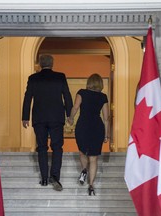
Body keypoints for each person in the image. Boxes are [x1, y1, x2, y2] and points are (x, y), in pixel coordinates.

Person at [22, 54, 73, 191]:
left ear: (39, 64)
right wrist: (70, 114)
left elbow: (28, 98)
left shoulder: (33, 78)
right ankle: (55, 177)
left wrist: (25, 117)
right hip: (56, 117)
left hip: (39, 118)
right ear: (52, 64)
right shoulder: (60, 77)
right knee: (57, 147)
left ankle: (44, 178)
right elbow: (67, 96)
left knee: (42, 147)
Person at [68, 73, 109, 196]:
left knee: (82, 151)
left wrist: (71, 118)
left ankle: (84, 170)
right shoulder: (103, 97)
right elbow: (106, 118)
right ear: (100, 84)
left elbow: (75, 107)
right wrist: (106, 135)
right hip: (97, 127)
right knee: (94, 157)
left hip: (83, 125)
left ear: (89, 82)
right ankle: (91, 185)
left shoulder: (82, 92)